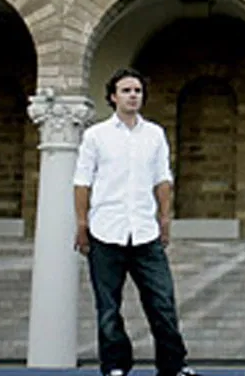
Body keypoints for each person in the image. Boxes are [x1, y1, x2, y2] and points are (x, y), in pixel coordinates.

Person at [74, 67, 198, 376]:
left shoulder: (154, 134)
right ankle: (115, 365)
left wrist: (165, 218)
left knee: (163, 302)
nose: (133, 96)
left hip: (145, 231)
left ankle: (173, 365)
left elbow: (163, 179)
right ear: (113, 96)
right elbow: (82, 183)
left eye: (137, 91)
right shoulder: (95, 136)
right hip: (105, 230)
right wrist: (81, 224)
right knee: (108, 307)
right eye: (126, 90)